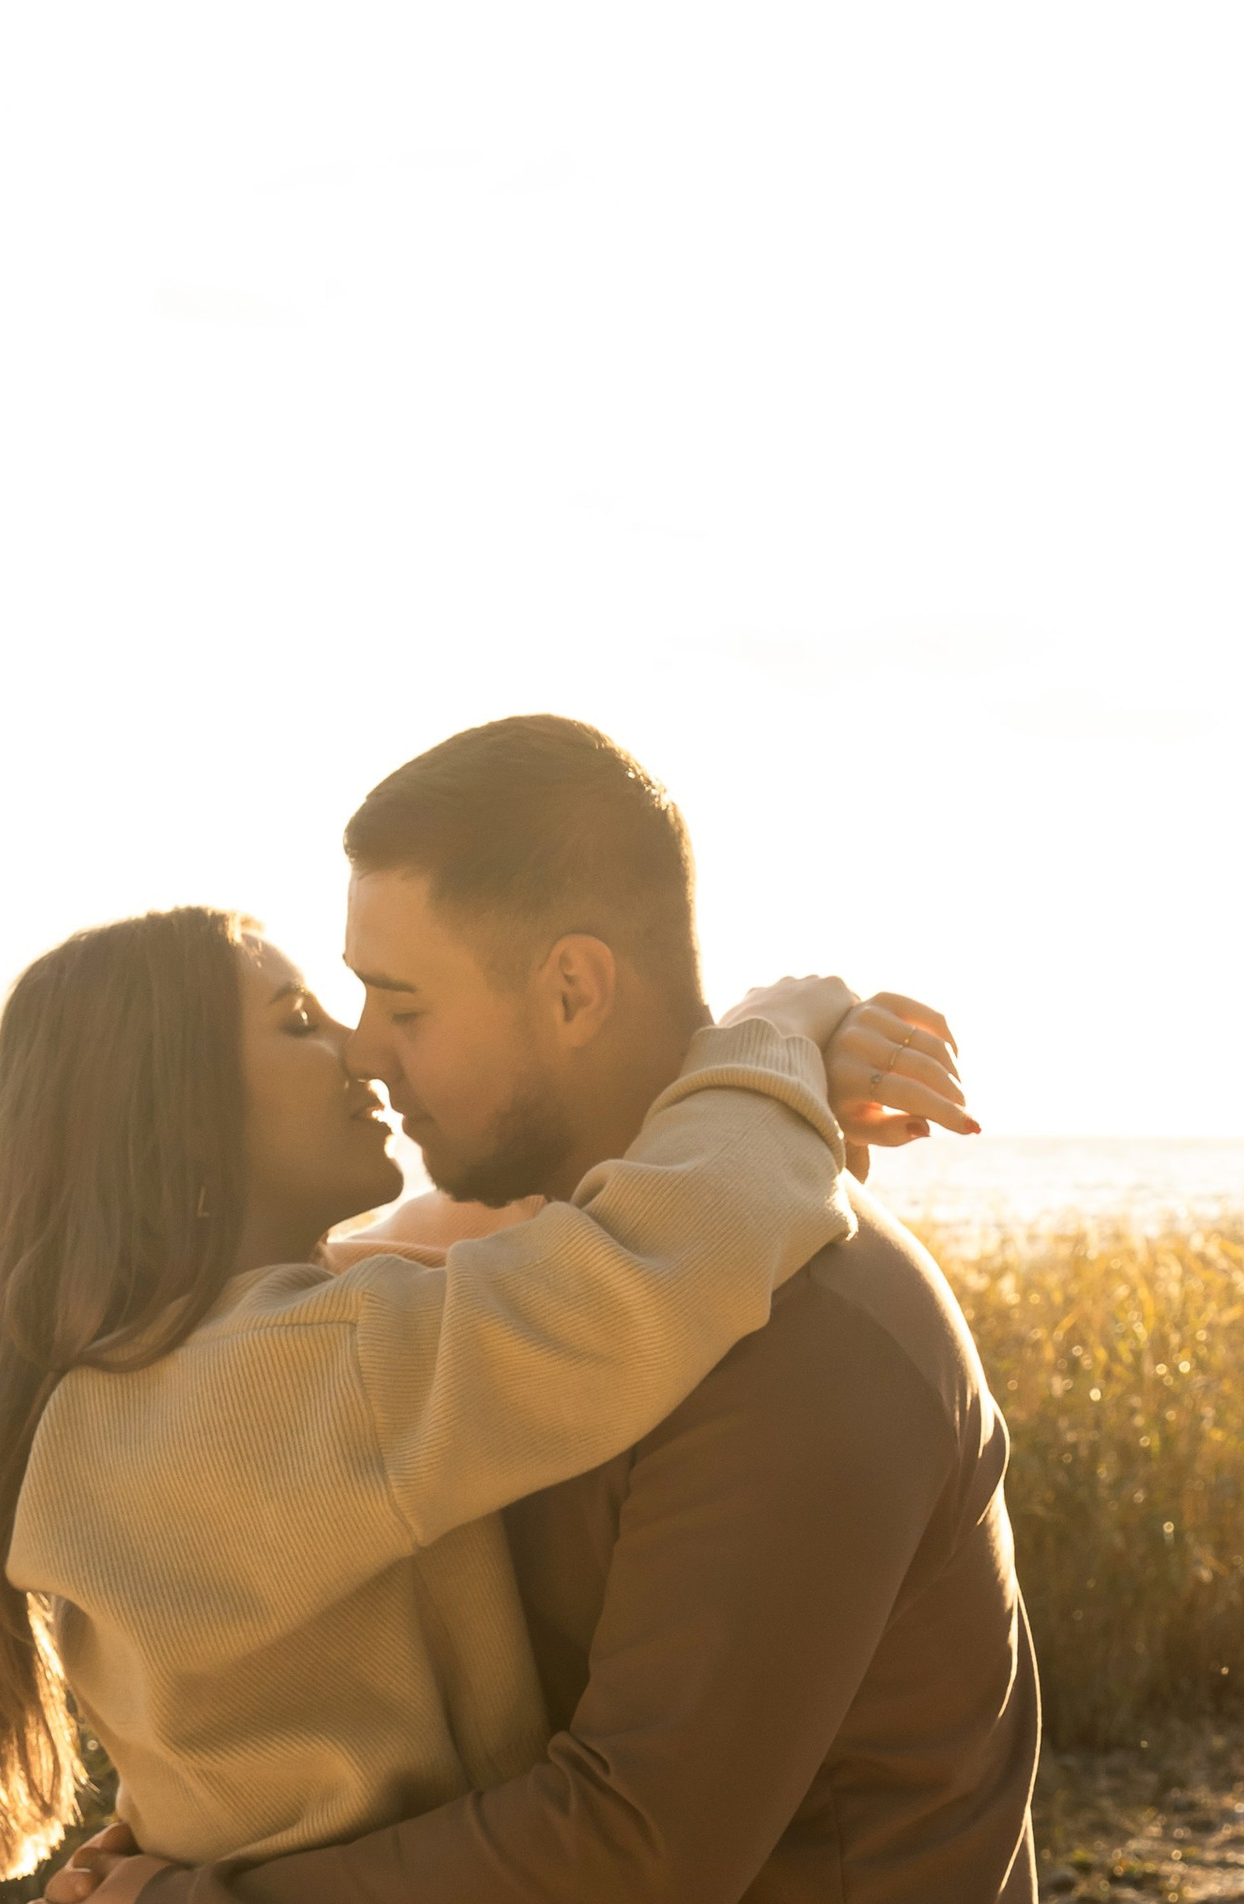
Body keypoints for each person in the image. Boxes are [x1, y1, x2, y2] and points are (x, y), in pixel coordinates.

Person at [52, 716, 1037, 1904]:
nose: (366, 1053)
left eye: (402, 1004)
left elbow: (632, 1848)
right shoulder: (538, 1282)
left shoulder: (804, 1332)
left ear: (572, 989)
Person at [0, 900, 963, 1880]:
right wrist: (782, 1020)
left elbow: (503, 1241)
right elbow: (661, 1256)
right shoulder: (297, 1374)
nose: (359, 1047)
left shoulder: (127, 1394)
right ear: (174, 1110)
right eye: (300, 1022)